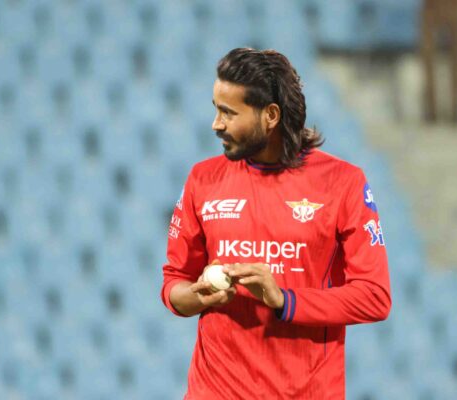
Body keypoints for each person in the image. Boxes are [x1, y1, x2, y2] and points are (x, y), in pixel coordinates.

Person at [161, 48, 392, 399]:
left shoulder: (342, 183)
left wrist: (284, 300)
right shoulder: (202, 180)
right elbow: (174, 283)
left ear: (270, 115)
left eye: (228, 112)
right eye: (216, 109)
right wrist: (198, 296)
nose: (216, 124)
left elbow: (374, 297)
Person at [420, 0, 457, 123]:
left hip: (453, 6)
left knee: (456, 58)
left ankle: (456, 108)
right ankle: (431, 109)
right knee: (428, 56)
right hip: (431, 6)